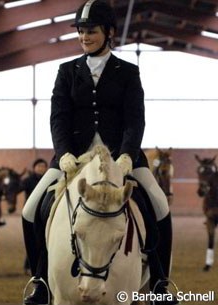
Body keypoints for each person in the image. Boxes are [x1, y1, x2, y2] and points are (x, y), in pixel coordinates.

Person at [22, 1, 179, 304]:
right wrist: (64, 152)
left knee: (159, 203)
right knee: (30, 210)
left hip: (122, 157)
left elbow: (135, 119)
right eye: (81, 31)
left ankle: (160, 281)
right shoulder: (67, 71)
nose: (84, 36)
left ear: (109, 32)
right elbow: (59, 117)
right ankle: (41, 280)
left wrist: (127, 155)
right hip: (73, 158)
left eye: (90, 31)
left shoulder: (128, 72)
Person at [20, 158, 48, 274]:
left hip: (44, 214)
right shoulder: (28, 180)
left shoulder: (48, 180)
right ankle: (29, 265)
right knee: (32, 239)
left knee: (42, 240)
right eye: (39, 166)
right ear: (34, 167)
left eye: (43, 166)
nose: (41, 168)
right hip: (31, 215)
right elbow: (17, 188)